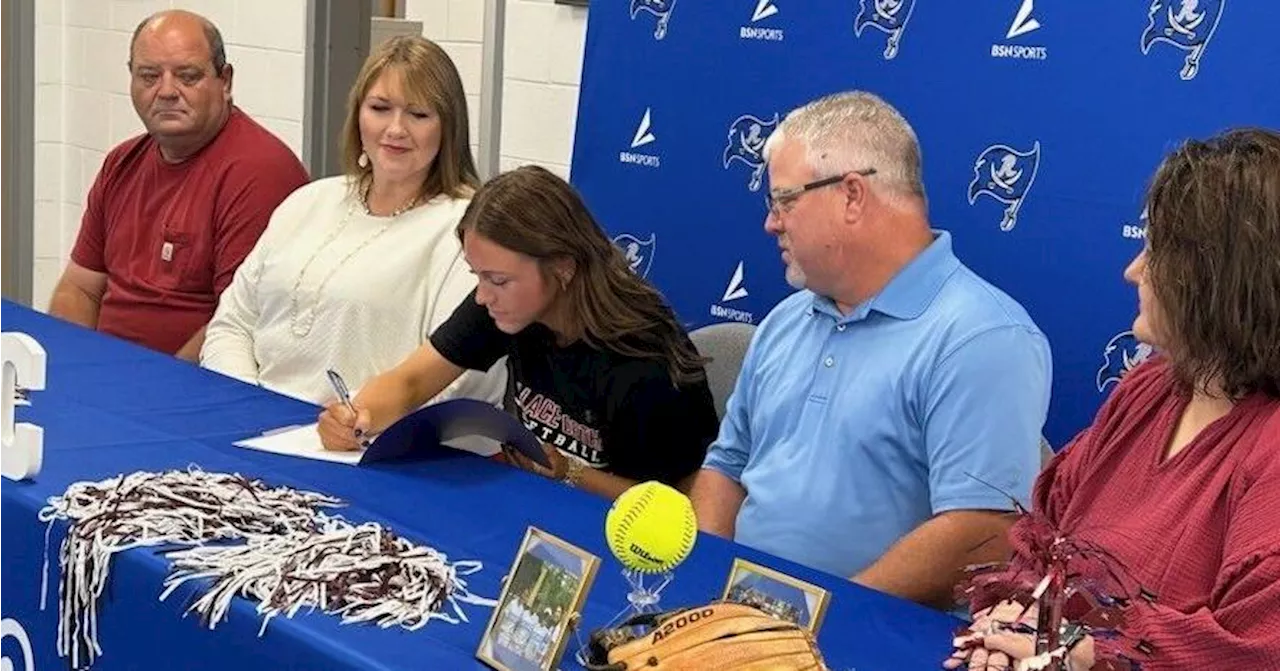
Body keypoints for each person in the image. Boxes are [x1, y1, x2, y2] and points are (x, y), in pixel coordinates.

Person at [689, 91, 1052, 609]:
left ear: (852, 196)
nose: (772, 222)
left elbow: (984, 529)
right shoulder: (786, 320)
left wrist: (817, 615)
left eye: (784, 200)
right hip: (740, 622)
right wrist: (707, 586)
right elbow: (726, 467)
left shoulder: (982, 337)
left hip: (865, 635)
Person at [946, 129, 1280, 670]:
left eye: (1158, 251)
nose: (1133, 271)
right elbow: (1042, 538)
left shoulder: (1269, 449)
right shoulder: (1147, 389)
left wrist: (1084, 652)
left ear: (1223, 278)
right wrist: (1018, 619)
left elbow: (1258, 650)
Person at [317, 166, 719, 500]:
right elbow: (412, 379)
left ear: (563, 267)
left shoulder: (644, 361)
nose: (483, 296)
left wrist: (568, 472)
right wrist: (358, 416)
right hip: (529, 499)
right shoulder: (505, 307)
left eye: (498, 280)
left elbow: (677, 502)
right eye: (478, 277)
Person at [200, 35, 504, 408]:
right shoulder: (308, 202)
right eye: (380, 108)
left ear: (448, 128)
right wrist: (243, 400)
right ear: (358, 113)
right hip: (250, 419)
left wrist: (357, 418)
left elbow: (461, 373)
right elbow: (232, 322)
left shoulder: (466, 229)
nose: (395, 129)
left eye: (418, 114)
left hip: (371, 441)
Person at [48, 10, 309, 359]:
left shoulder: (259, 172)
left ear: (225, 81)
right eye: (149, 76)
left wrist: (158, 390)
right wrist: (68, 366)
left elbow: (236, 324)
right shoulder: (121, 162)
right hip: (107, 378)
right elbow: (80, 288)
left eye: (187, 76)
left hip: (187, 387)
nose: (167, 91)